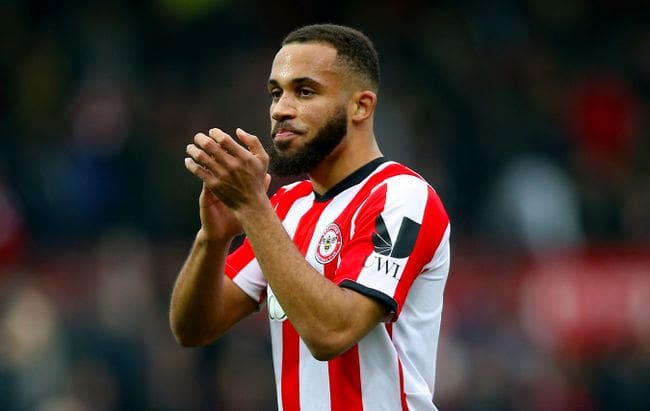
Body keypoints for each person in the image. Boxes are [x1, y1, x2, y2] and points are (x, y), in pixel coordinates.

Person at [170, 23, 451, 410]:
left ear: (361, 106)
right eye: (275, 93)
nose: (281, 109)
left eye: (305, 91)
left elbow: (333, 333)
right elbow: (193, 328)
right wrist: (212, 240)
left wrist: (253, 207)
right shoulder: (285, 207)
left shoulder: (402, 197)